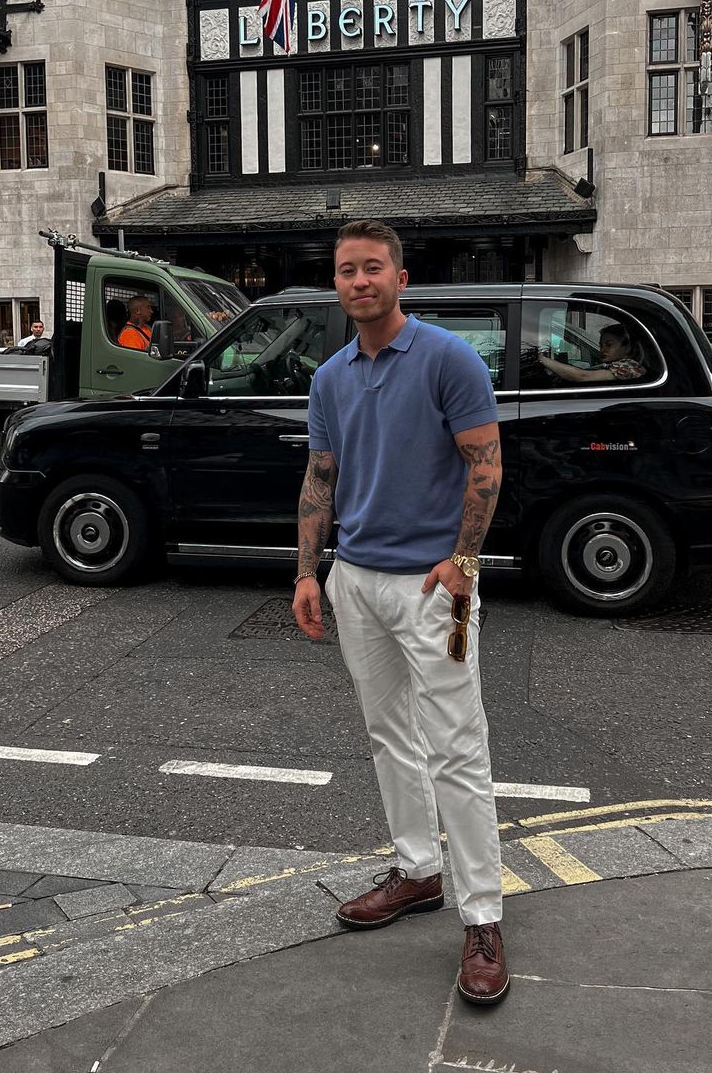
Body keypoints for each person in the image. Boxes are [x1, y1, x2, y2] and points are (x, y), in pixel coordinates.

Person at [292, 219, 509, 1008]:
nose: (360, 281)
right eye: (347, 270)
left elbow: (486, 465)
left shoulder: (448, 359)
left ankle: (483, 918)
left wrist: (464, 564)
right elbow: (321, 476)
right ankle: (418, 872)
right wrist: (308, 572)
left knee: (457, 746)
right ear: (337, 283)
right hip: (355, 579)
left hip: (433, 588)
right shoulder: (330, 377)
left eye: (373, 268)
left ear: (400, 278)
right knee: (389, 735)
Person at [538, 322, 646, 384]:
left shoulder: (630, 367)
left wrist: (542, 359)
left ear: (627, 347)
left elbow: (583, 376)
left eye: (609, 345)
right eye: (601, 345)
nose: (602, 350)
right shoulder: (614, 365)